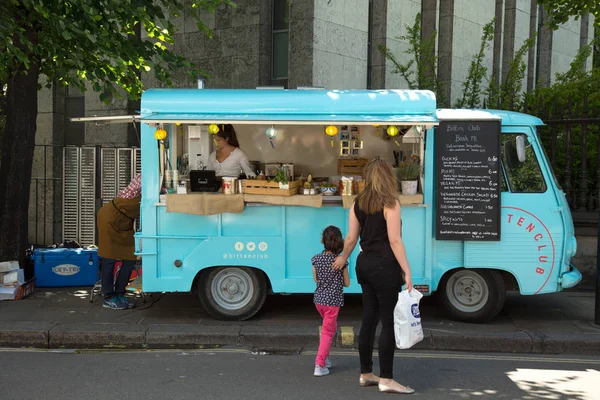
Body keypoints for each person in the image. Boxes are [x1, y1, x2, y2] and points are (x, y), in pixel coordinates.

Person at [332, 157, 415, 394]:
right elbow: (394, 240)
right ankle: (387, 379)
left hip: (364, 265)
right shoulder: (391, 203)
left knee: (369, 319)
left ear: (368, 177)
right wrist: (407, 270)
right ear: (389, 176)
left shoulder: (358, 203)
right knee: (388, 322)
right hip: (385, 267)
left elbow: (351, 238)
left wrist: (343, 258)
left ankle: (366, 373)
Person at [96, 173, 141, 310]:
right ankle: (108, 298)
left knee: (130, 258)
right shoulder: (143, 182)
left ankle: (120, 294)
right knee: (109, 259)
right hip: (109, 219)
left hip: (124, 223)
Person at [312, 226, 350, 377]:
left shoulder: (316, 259)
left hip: (319, 301)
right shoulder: (341, 262)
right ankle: (319, 365)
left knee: (328, 329)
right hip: (332, 303)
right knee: (328, 333)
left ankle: (325, 358)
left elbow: (316, 279)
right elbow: (347, 283)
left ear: (323, 241)